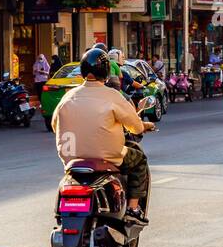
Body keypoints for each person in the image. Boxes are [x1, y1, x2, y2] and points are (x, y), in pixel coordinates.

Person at [52, 46, 154, 223]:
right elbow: (135, 127)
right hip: (106, 156)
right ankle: (133, 208)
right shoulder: (112, 96)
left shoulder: (68, 97)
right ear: (107, 72)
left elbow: (55, 125)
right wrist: (144, 125)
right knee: (139, 161)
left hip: (71, 159)